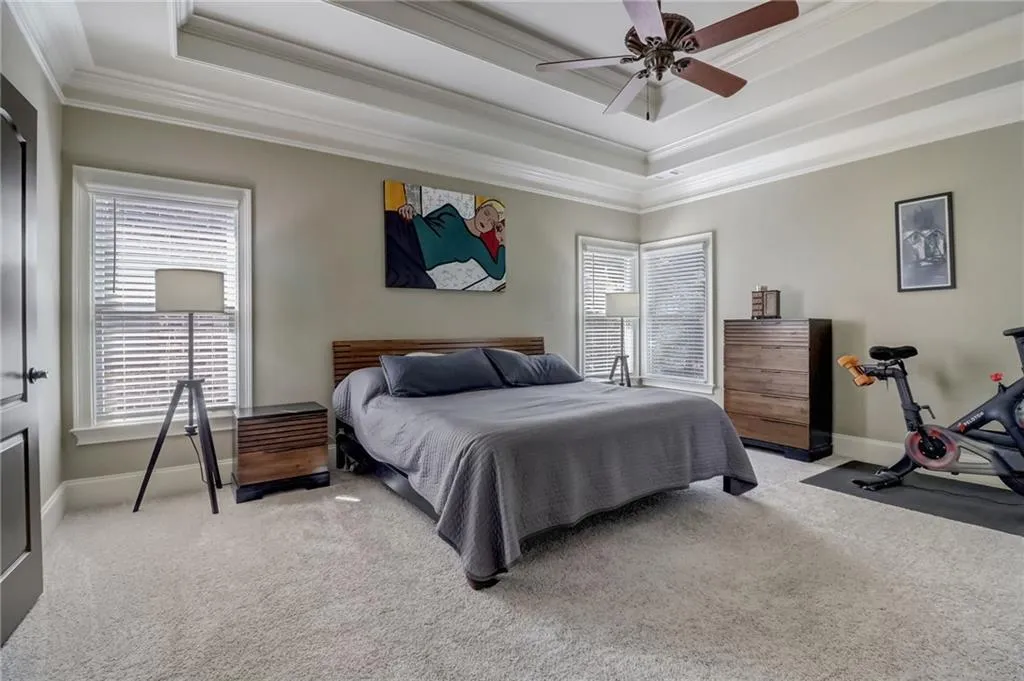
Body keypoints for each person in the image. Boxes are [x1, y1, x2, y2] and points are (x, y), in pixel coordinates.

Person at [385, 199, 506, 289]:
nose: (486, 221)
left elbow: (498, 272)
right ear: (479, 209)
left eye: (492, 222)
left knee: (426, 286)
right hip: (406, 232)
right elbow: (424, 220)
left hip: (416, 261)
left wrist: (503, 241)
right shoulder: (450, 210)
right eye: (486, 213)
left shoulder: (476, 246)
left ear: (492, 228)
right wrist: (410, 210)